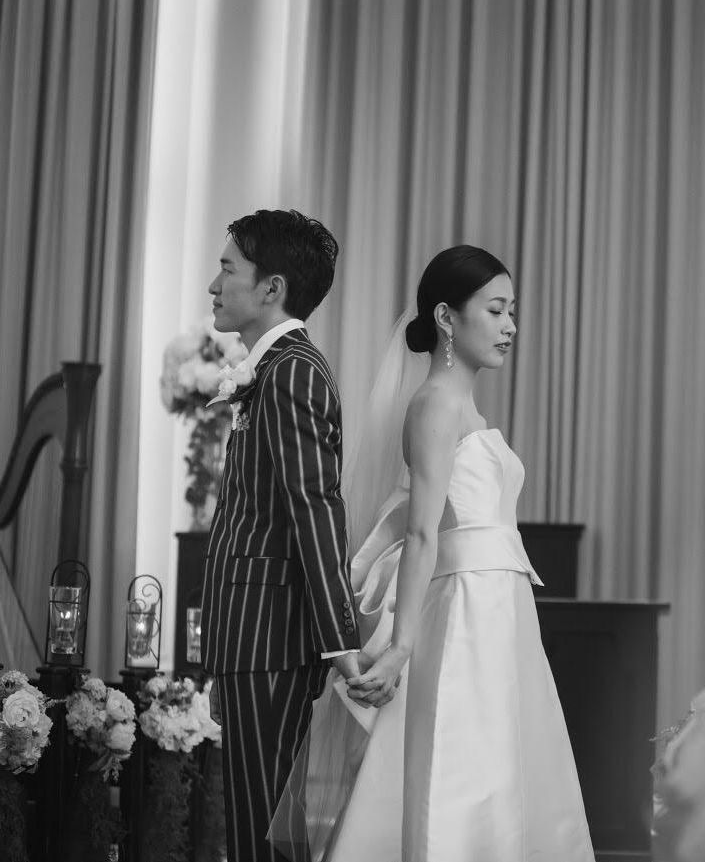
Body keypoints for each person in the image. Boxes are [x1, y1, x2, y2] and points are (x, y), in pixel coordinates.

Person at [270, 245, 595, 862]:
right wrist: (400, 648)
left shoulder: (461, 405)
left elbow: (417, 520)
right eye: (495, 310)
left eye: (512, 311)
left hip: (501, 606)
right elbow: (421, 533)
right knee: (464, 765)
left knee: (504, 763)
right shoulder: (436, 405)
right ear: (447, 317)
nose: (510, 326)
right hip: (468, 607)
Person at [201, 209, 363, 862]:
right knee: (256, 829)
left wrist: (339, 641)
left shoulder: (292, 371)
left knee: (264, 833)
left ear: (272, 287)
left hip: (270, 636)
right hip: (250, 636)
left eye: (227, 268)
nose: (214, 284)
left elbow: (314, 508)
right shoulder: (270, 369)